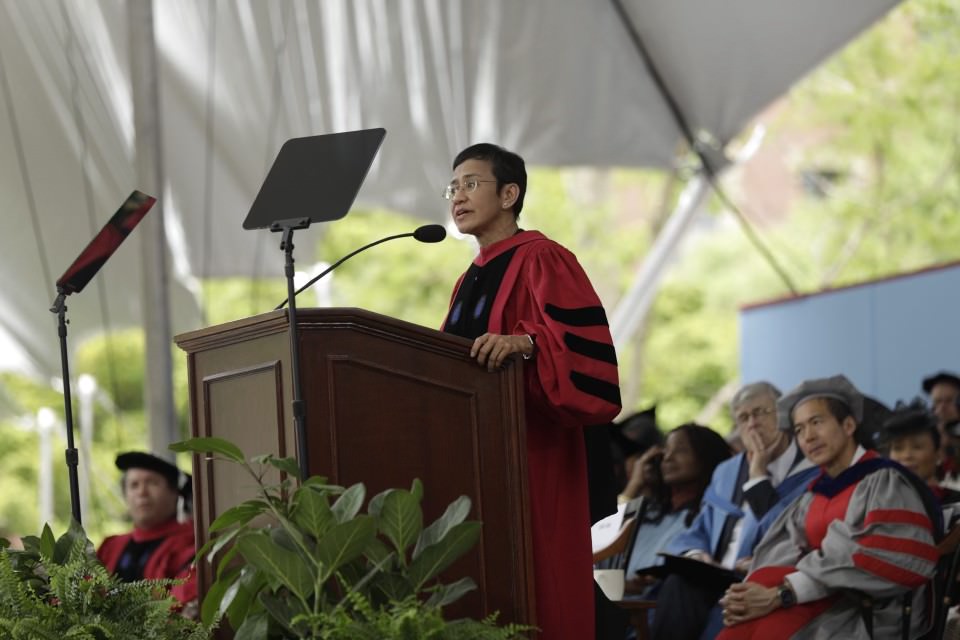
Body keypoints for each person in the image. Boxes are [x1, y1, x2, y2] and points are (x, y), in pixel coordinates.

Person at [441, 143, 621, 640]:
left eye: (471, 183)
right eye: (453, 187)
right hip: (477, 461)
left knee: (540, 587)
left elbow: (585, 357)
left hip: (534, 455)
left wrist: (526, 341)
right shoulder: (467, 280)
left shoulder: (544, 258)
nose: (458, 195)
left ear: (509, 194)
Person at [717, 375, 940, 639]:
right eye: (799, 429)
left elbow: (888, 558)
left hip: (869, 611)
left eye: (816, 422)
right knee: (741, 624)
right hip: (809, 599)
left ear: (848, 425)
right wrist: (749, 594)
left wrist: (784, 593)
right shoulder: (814, 493)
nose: (808, 437)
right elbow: (785, 550)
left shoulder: (884, 482)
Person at [651, 382, 819, 640]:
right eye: (743, 417)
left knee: (734, 603)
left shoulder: (812, 471)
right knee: (677, 584)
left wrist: (758, 478)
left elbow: (789, 532)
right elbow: (699, 529)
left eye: (761, 412)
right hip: (715, 575)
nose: (752, 423)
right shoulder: (726, 472)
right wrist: (696, 554)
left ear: (784, 415)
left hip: (764, 579)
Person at [617, 424, 731, 596]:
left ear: (706, 457)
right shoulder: (649, 514)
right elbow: (604, 543)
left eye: (681, 450)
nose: (668, 458)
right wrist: (634, 485)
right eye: (666, 451)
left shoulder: (713, 517)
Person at [97, 452, 197, 608]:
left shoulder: (190, 543)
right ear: (125, 496)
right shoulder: (110, 547)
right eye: (134, 485)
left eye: (152, 483)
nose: (142, 492)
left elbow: (182, 603)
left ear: (175, 494)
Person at [879, 401, 960, 504]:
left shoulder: (956, 504)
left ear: (938, 453)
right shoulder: (879, 503)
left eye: (917, 447)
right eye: (898, 448)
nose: (907, 455)